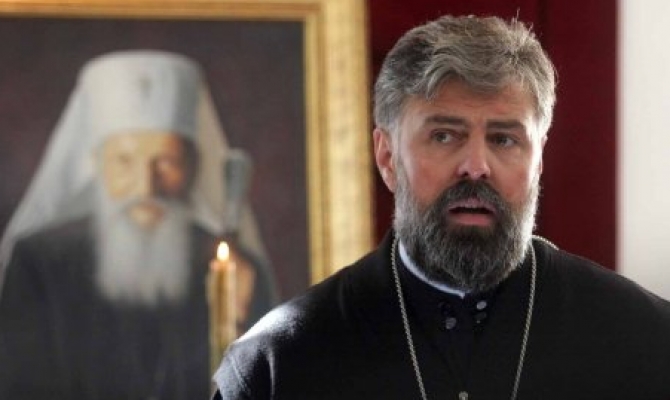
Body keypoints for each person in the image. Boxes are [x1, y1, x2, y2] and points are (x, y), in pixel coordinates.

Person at [212, 15, 670, 400]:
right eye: (444, 135)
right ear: (387, 157)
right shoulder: (277, 365)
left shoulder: (646, 341)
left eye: (503, 139)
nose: (476, 166)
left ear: (538, 160)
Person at [0, 50, 277, 399]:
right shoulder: (37, 262)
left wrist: (242, 321)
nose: (146, 187)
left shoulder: (235, 269)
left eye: (166, 162)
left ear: (193, 166)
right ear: (97, 164)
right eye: (124, 161)